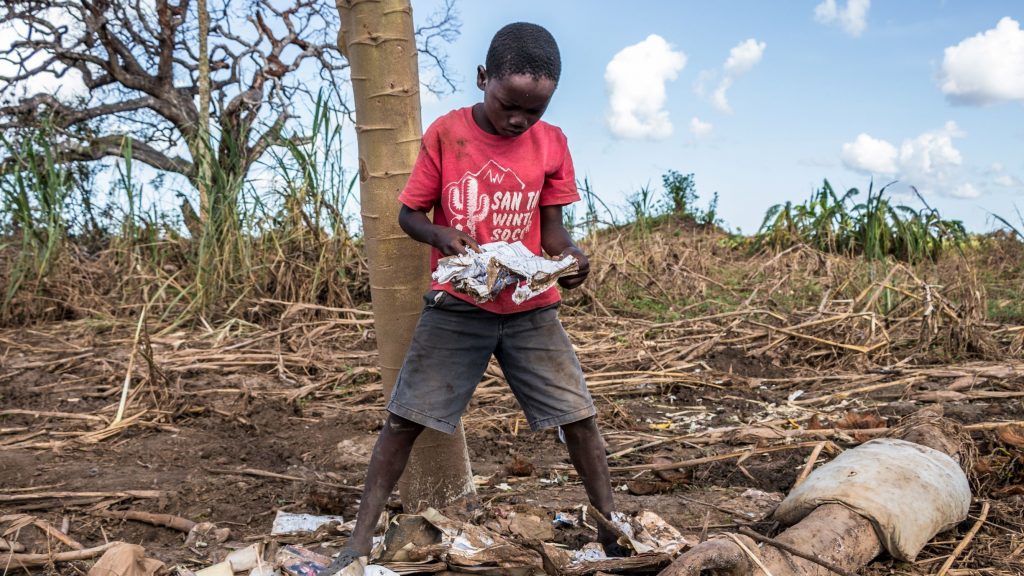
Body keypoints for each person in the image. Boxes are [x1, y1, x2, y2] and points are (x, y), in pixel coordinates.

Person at [323, 22, 623, 574]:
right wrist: (441, 236)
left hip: (531, 312)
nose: (519, 120)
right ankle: (358, 541)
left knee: (579, 417)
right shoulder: (447, 134)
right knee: (404, 418)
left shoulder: (552, 142)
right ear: (483, 78)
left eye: (533, 111)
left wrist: (571, 259)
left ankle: (612, 531)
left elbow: (553, 230)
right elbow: (409, 213)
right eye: (510, 105)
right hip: (459, 308)